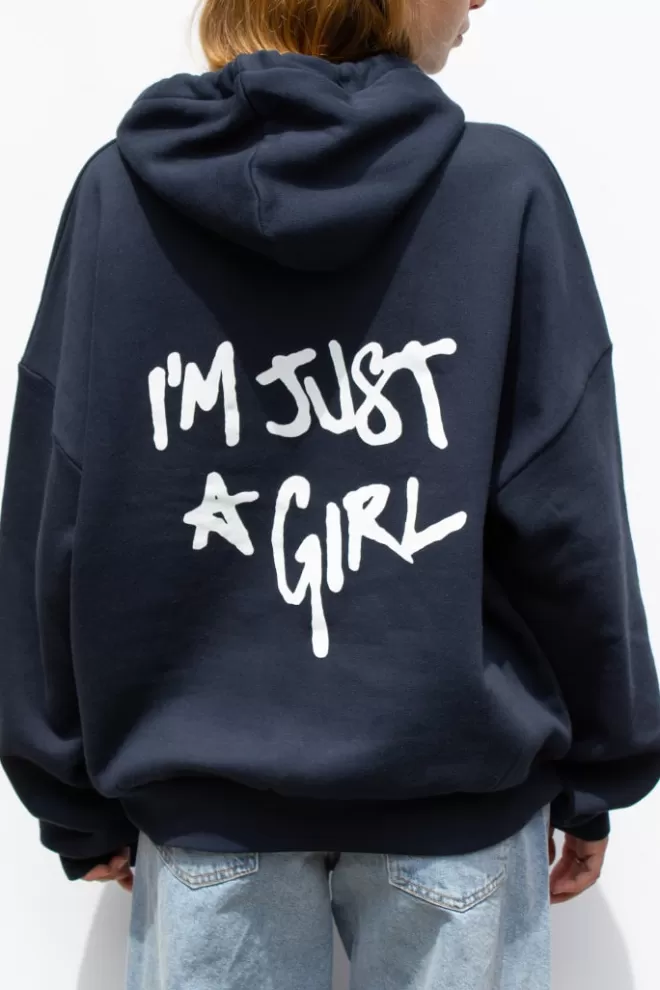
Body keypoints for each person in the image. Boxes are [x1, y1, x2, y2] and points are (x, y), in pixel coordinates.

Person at [0, 0, 658, 987]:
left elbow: (59, 506)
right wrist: (603, 766)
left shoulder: (120, 194)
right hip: (454, 809)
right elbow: (566, 516)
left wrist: (66, 790)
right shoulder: (502, 188)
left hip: (208, 817)